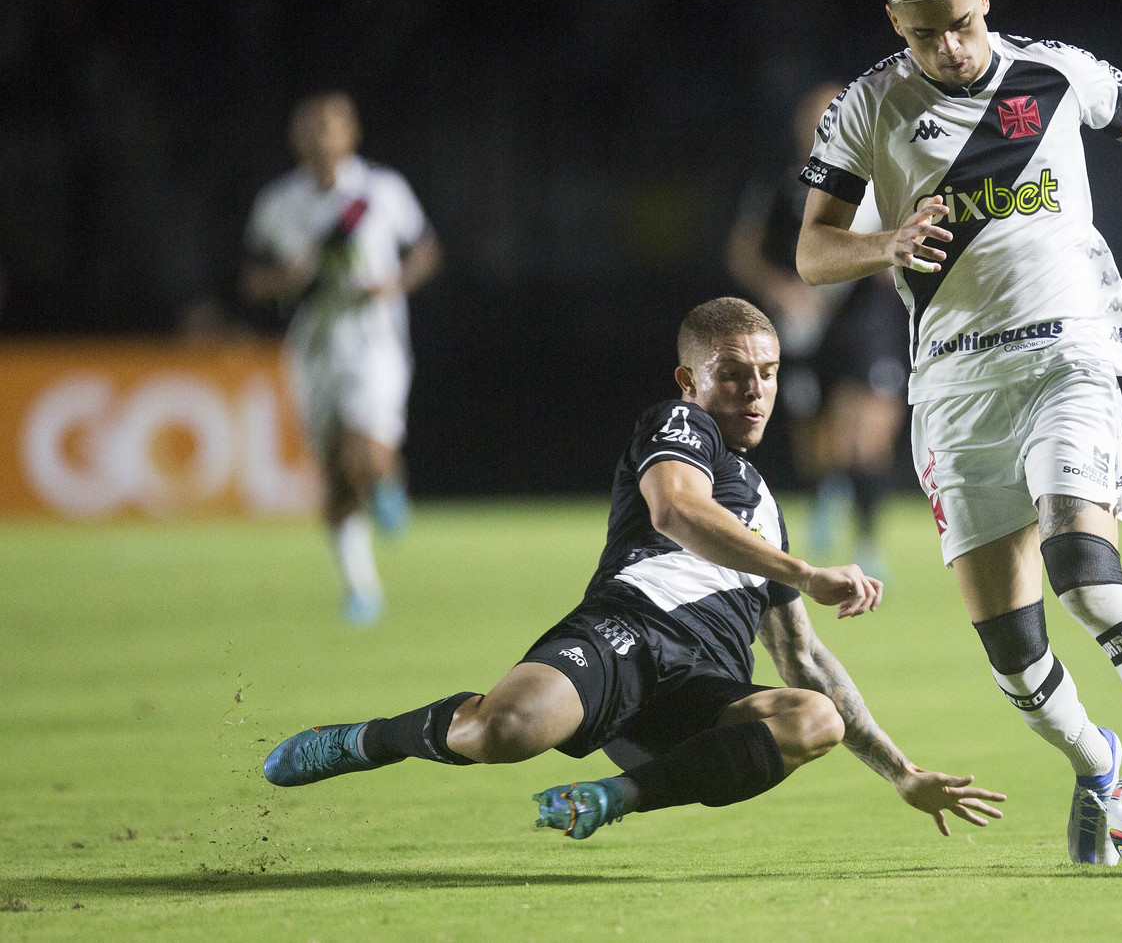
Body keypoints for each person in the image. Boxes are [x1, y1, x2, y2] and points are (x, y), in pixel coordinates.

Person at [794, 0, 1122, 872]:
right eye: (925, 33)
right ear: (894, 20)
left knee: (1087, 576)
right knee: (1016, 656)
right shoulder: (868, 108)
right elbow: (813, 250)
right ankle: (1095, 759)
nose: (950, 47)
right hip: (955, 390)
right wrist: (883, 242)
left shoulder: (1053, 74)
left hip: (1069, 358)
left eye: (962, 23)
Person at [263, 298, 1005, 841]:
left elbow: (803, 656)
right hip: (626, 632)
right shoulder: (679, 426)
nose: (756, 390)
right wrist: (805, 571)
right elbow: (676, 512)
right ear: (690, 378)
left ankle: (614, 797)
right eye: (735, 373)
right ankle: (366, 739)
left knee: (816, 715)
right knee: (503, 731)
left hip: (699, 691)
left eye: (770, 373)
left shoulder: (770, 508)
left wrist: (901, 770)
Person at [241, 92, 440, 625]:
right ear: (295, 138)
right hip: (313, 347)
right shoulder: (279, 202)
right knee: (332, 473)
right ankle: (360, 586)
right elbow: (252, 279)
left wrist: (394, 282)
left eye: (329, 125)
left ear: (351, 134)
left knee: (363, 448)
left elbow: (425, 249)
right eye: (308, 126)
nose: (319, 135)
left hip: (374, 340)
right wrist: (284, 278)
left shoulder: (381, 191)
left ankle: (386, 481)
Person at [726, 83, 909, 577]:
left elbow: (899, 247)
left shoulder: (880, 181)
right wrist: (780, 288)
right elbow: (744, 251)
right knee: (817, 440)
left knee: (868, 433)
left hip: (866, 319)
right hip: (806, 324)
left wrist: (892, 261)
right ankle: (826, 493)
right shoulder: (781, 184)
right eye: (817, 116)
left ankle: (868, 545)